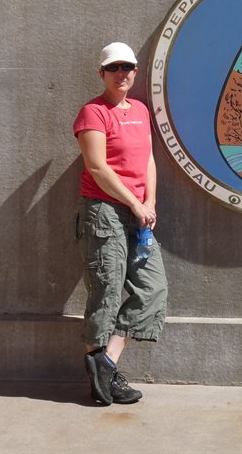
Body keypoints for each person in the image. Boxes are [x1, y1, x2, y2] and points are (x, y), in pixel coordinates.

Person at [73, 42, 168, 405]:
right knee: (107, 290)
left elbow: (148, 162)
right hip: (104, 210)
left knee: (153, 290)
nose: (122, 73)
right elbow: (97, 167)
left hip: (137, 214)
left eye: (128, 67)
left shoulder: (141, 110)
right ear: (102, 73)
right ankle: (101, 376)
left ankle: (106, 364)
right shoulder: (93, 113)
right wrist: (133, 202)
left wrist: (150, 202)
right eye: (113, 68)